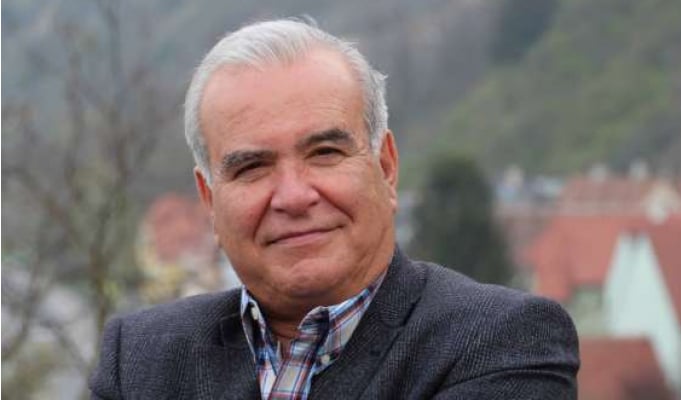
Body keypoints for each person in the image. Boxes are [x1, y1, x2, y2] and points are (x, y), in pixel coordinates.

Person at [90, 18, 579, 399]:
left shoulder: (502, 342)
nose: (293, 196)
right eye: (252, 167)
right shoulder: (140, 360)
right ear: (209, 201)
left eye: (324, 153)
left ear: (386, 167)